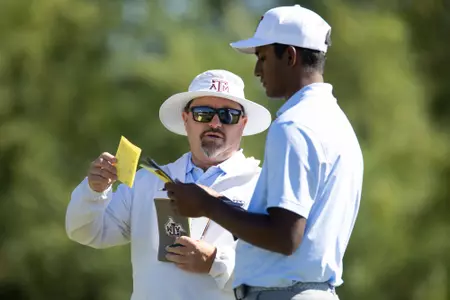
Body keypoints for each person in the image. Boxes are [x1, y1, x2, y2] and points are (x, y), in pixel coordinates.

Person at [164, 5, 364, 300]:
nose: (257, 70)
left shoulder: (294, 124)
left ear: (291, 56)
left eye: (263, 57)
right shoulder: (337, 123)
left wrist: (207, 205)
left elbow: (286, 237)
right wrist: (225, 207)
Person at [65, 69, 272, 300]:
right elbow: (86, 232)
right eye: (203, 113)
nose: (215, 123)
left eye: (228, 115)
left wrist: (216, 262)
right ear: (186, 119)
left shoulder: (263, 187)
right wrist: (94, 190)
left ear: (242, 124)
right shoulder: (148, 181)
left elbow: (276, 272)